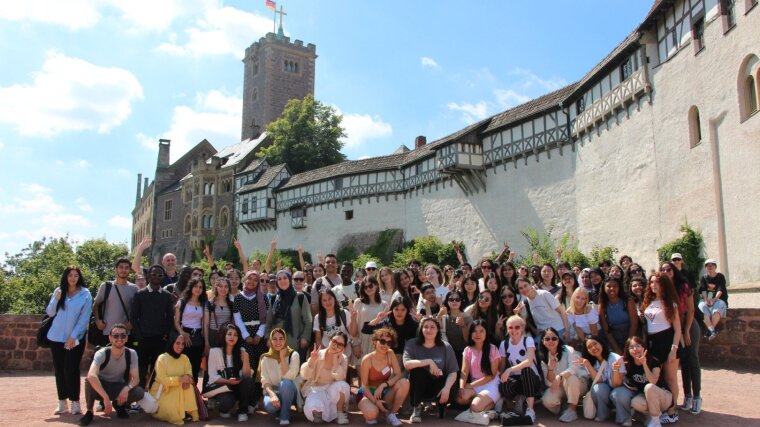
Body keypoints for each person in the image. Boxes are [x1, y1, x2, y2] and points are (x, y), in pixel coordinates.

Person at [47, 265, 92, 416]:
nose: (73, 278)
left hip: (75, 338)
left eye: (76, 276)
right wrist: (56, 299)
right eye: (70, 275)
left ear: (79, 278)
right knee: (59, 370)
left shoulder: (85, 294)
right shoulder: (59, 291)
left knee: (72, 369)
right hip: (56, 337)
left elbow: (84, 317)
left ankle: (75, 402)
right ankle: (62, 402)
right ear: (66, 277)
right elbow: (50, 312)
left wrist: (73, 336)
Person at [79, 324, 145, 426]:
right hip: (101, 388)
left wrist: (127, 388)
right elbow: (91, 375)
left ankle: (119, 405)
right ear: (110, 338)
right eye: (116, 336)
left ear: (127, 338)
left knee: (139, 392)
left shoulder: (131, 354)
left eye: (123, 336)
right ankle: (89, 412)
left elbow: (136, 379)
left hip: (118, 387)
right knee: (89, 381)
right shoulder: (102, 353)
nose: (119, 339)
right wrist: (105, 398)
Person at [641, 272, 682, 424]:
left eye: (657, 282)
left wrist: (674, 349)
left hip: (667, 341)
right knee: (657, 378)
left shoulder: (670, 303)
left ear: (664, 284)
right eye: (651, 282)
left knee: (671, 379)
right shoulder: (648, 301)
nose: (653, 285)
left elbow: (677, 329)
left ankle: (672, 411)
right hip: (653, 343)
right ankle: (661, 407)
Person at [403, 317, 460, 423]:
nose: (429, 330)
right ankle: (417, 407)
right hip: (420, 386)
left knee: (448, 379)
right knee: (417, 371)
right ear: (421, 329)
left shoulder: (446, 346)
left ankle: (441, 405)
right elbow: (407, 364)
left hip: (439, 386)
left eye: (432, 327)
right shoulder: (412, 344)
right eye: (426, 327)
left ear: (437, 330)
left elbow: (453, 371)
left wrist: (447, 388)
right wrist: (429, 361)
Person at [610, 336, 672, 427]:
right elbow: (616, 384)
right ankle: (649, 416)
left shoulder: (653, 361)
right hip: (645, 397)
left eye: (638, 346)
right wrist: (616, 369)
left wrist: (644, 364)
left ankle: (656, 421)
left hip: (663, 397)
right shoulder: (628, 364)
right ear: (628, 351)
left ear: (644, 347)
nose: (635, 349)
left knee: (649, 387)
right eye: (631, 347)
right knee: (635, 402)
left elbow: (653, 381)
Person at [130, 264, 174, 389]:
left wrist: (165, 335)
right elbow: (133, 317)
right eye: (154, 274)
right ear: (148, 276)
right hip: (143, 338)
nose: (156, 277)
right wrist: (139, 335)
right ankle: (140, 397)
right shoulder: (140, 294)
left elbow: (169, 317)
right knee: (141, 368)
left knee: (157, 368)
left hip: (159, 339)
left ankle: (154, 396)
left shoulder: (166, 295)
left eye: (160, 275)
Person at [233, 269, 270, 410]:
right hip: (245, 335)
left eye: (255, 280)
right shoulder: (238, 298)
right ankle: (249, 399)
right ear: (245, 280)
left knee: (260, 366)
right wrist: (246, 335)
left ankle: (257, 398)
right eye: (250, 279)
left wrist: (259, 334)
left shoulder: (263, 297)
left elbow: (266, 318)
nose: (252, 282)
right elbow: (237, 318)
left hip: (259, 335)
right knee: (249, 367)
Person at [358, 327, 410, 426]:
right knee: (371, 415)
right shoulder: (367, 359)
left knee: (404, 382)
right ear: (375, 341)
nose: (385, 345)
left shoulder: (390, 354)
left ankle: (392, 415)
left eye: (389, 343)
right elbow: (364, 385)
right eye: (382, 341)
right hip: (368, 392)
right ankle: (377, 411)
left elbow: (398, 374)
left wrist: (383, 385)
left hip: (384, 391)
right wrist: (375, 401)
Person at [538, 327, 590, 423]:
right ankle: (565, 407)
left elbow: (573, 368)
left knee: (570, 378)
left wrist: (559, 376)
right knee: (547, 401)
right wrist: (550, 368)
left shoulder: (568, 350)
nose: (551, 341)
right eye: (547, 339)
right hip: (560, 387)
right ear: (543, 341)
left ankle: (572, 410)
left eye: (554, 338)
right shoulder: (543, 358)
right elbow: (549, 383)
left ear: (558, 339)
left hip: (578, 383)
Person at [300, 331, 351, 425]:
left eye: (340, 344)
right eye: (334, 341)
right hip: (316, 389)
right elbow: (304, 375)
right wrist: (311, 361)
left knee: (343, 385)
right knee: (317, 417)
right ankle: (321, 411)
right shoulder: (317, 354)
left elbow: (341, 378)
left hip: (332, 391)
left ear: (343, 348)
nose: (335, 345)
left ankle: (339, 413)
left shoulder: (343, 359)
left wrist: (336, 361)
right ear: (329, 341)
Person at [206, 323, 254, 422]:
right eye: (229, 334)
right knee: (227, 401)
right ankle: (223, 410)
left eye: (235, 335)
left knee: (248, 381)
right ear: (224, 336)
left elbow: (246, 375)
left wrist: (246, 359)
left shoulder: (241, 351)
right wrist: (228, 381)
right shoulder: (214, 352)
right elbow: (212, 376)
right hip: (222, 388)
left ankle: (242, 411)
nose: (232, 337)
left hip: (237, 386)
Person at [456, 320, 501, 423]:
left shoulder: (492, 349)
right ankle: (481, 403)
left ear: (486, 333)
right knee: (460, 398)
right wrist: (462, 386)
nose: (478, 334)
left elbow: (491, 376)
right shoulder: (468, 350)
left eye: (481, 331)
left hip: (491, 383)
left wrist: (471, 385)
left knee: (475, 407)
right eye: (475, 331)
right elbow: (464, 371)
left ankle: (492, 405)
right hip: (476, 384)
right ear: (471, 333)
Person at [498, 316, 541, 423]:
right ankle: (519, 400)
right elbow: (502, 366)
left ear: (522, 328)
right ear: (507, 329)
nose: (514, 330)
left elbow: (529, 361)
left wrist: (509, 370)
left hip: (532, 378)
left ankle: (530, 409)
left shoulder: (528, 340)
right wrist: (501, 376)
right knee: (504, 385)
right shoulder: (504, 344)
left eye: (517, 327)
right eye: (510, 327)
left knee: (525, 370)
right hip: (517, 379)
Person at [149, 334, 199, 425]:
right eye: (177, 343)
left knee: (189, 388)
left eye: (183, 344)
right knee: (174, 406)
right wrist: (180, 379)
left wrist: (187, 379)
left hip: (180, 388)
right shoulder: (162, 358)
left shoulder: (185, 358)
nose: (180, 346)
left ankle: (188, 412)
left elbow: (190, 375)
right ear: (171, 343)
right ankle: (181, 414)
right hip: (163, 391)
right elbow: (162, 379)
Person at [266, 270, 312, 359]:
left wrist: (305, 337)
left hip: (295, 344)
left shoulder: (300, 297)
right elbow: (269, 321)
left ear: (290, 280)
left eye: (285, 278)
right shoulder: (274, 299)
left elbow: (308, 320)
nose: (282, 281)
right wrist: (268, 338)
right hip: (276, 345)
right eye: (279, 279)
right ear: (277, 282)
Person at [92, 258, 139, 346]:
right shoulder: (106, 286)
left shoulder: (134, 289)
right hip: (107, 332)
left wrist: (132, 323)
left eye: (126, 268)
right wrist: (98, 321)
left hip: (125, 334)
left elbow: (138, 309)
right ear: (116, 269)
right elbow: (96, 304)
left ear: (129, 270)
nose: (123, 270)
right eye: (121, 267)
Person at [579, 335, 625, 422]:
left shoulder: (615, 358)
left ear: (601, 343)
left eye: (595, 344)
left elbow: (617, 384)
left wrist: (615, 369)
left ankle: (623, 419)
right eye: (589, 347)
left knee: (617, 393)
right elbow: (599, 380)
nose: (593, 348)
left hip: (620, 388)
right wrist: (588, 365)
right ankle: (603, 414)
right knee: (597, 389)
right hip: (607, 388)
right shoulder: (592, 361)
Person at [259, 328, 300, 425]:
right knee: (269, 406)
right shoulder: (265, 358)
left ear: (285, 340)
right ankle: (280, 410)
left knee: (285, 383)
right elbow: (265, 380)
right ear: (271, 341)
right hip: (273, 391)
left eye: (281, 339)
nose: (278, 342)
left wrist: (282, 357)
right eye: (275, 339)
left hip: (290, 392)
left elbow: (290, 377)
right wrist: (272, 395)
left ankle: (285, 414)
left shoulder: (293, 355)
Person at [361, 296, 418, 365]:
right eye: (396, 309)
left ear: (407, 311)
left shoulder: (413, 325)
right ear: (392, 310)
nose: (399, 312)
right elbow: (365, 330)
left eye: (403, 310)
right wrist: (377, 319)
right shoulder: (387, 324)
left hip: (408, 359)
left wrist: (421, 321)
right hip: (387, 358)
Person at [173, 277, 208, 381]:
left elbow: (205, 325)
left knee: (195, 366)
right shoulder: (182, 302)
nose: (198, 289)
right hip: (184, 336)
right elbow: (176, 321)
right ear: (191, 287)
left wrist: (206, 343)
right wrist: (182, 333)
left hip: (197, 337)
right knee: (182, 366)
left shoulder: (203, 303)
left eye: (200, 287)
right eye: (196, 286)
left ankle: (194, 394)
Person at [352, 275, 388, 363]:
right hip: (361, 344)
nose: (368, 289)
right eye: (365, 287)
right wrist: (355, 344)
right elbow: (355, 324)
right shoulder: (358, 302)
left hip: (378, 344)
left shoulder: (384, 304)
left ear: (376, 285)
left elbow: (385, 328)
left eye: (370, 286)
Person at [598, 277, 638, 354]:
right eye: (609, 286)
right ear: (604, 288)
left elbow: (634, 323)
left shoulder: (628, 301)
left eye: (615, 286)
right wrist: (616, 348)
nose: (612, 288)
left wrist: (629, 344)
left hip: (631, 333)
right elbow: (606, 329)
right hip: (614, 337)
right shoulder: (602, 305)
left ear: (619, 287)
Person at [313, 289, 354, 356]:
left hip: (345, 351)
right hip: (328, 352)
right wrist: (321, 355)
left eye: (330, 299)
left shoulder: (344, 313)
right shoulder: (318, 318)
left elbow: (353, 333)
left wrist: (354, 318)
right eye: (324, 300)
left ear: (334, 299)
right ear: (321, 303)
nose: (328, 302)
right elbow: (318, 339)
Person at [439, 290, 473, 368]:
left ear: (461, 301)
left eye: (457, 299)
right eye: (451, 299)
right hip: (448, 353)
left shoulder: (467, 318)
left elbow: (468, 341)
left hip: (464, 353)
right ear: (447, 301)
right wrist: (439, 317)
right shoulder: (444, 317)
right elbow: (438, 333)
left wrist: (463, 326)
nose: (454, 301)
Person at [698, 259, 728, 340]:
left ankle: (709, 330)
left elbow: (720, 290)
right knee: (703, 307)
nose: (710, 267)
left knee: (716, 309)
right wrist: (706, 300)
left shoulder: (720, 276)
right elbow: (703, 290)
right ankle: (712, 331)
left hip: (719, 299)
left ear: (715, 267)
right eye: (708, 265)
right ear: (705, 267)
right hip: (707, 299)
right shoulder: (703, 278)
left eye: (712, 265)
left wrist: (714, 300)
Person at [206, 277, 235, 352]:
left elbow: (233, 322)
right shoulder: (210, 303)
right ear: (216, 287)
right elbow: (205, 325)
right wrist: (206, 343)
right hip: (213, 335)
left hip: (227, 336)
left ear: (229, 289)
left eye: (226, 286)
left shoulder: (231, 304)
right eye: (220, 286)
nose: (223, 289)